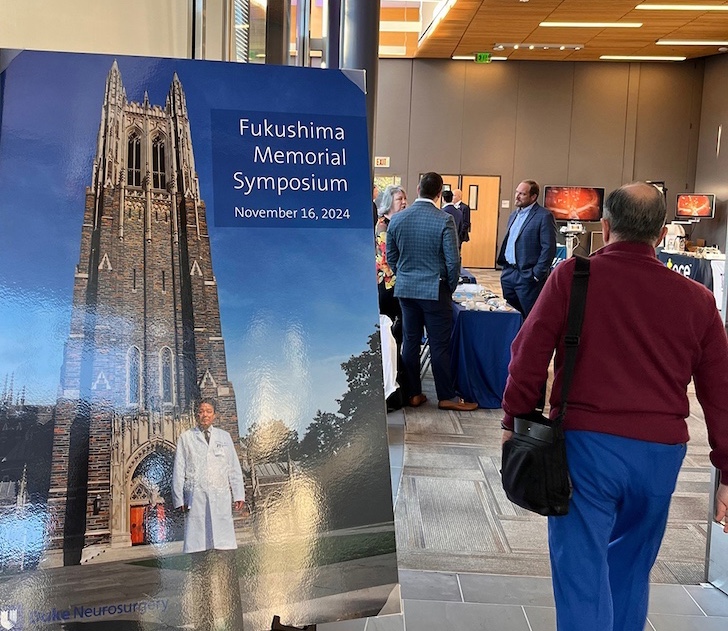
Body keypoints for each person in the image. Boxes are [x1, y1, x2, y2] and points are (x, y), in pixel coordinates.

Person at [501, 182, 728, 631]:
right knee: (629, 571)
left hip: (586, 449)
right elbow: (720, 394)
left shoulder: (572, 277)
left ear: (604, 228)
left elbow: (527, 356)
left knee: (581, 573)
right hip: (660, 458)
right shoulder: (699, 301)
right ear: (661, 235)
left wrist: (514, 420)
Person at [386, 172, 478, 412]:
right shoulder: (444, 220)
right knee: (439, 345)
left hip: (406, 290)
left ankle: (413, 393)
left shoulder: (397, 219)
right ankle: (446, 396)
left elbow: (391, 257)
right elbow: (452, 261)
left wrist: (404, 275)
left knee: (410, 342)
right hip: (435, 290)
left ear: (418, 189)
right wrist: (449, 285)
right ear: (439, 194)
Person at [172, 397, 245, 553]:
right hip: (196, 496)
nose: (205, 415)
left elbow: (233, 467)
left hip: (220, 494)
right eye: (201, 411)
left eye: (208, 411)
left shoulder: (224, 437)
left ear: (214, 415)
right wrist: (179, 498)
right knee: (199, 547)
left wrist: (239, 494)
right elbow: (179, 469)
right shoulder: (186, 438)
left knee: (223, 546)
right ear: (196, 415)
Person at [497, 180, 557, 317]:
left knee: (530, 318)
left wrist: (537, 274)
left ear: (533, 197)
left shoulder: (544, 216)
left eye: (522, 194)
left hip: (527, 276)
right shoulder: (514, 215)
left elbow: (548, 248)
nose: (517, 196)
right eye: (517, 192)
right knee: (511, 317)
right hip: (508, 274)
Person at [375, 184, 407, 321]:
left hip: (398, 281)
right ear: (389, 202)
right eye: (400, 199)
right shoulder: (383, 225)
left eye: (405, 198)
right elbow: (386, 257)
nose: (404, 202)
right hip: (388, 284)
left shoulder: (398, 223)